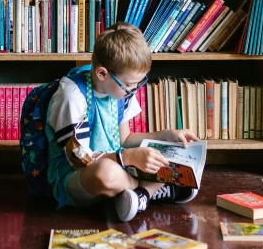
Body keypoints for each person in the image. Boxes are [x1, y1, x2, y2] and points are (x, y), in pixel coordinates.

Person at [46, 22, 199, 222]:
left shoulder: (121, 90)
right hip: (78, 176)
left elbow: (125, 138)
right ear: (102, 74)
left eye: (139, 83)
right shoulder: (72, 96)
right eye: (129, 85)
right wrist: (127, 158)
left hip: (121, 165)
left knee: (170, 152)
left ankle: (136, 196)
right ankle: (150, 190)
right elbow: (79, 160)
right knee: (106, 173)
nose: (134, 90)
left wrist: (166, 136)